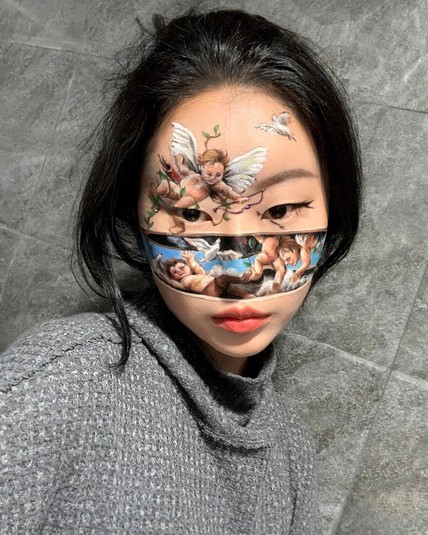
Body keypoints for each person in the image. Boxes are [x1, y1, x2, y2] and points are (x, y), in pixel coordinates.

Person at [0, 8, 361, 534]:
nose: (239, 274)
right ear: (133, 216)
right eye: (190, 215)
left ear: (335, 209)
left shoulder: (292, 458)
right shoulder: (56, 386)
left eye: (282, 210)